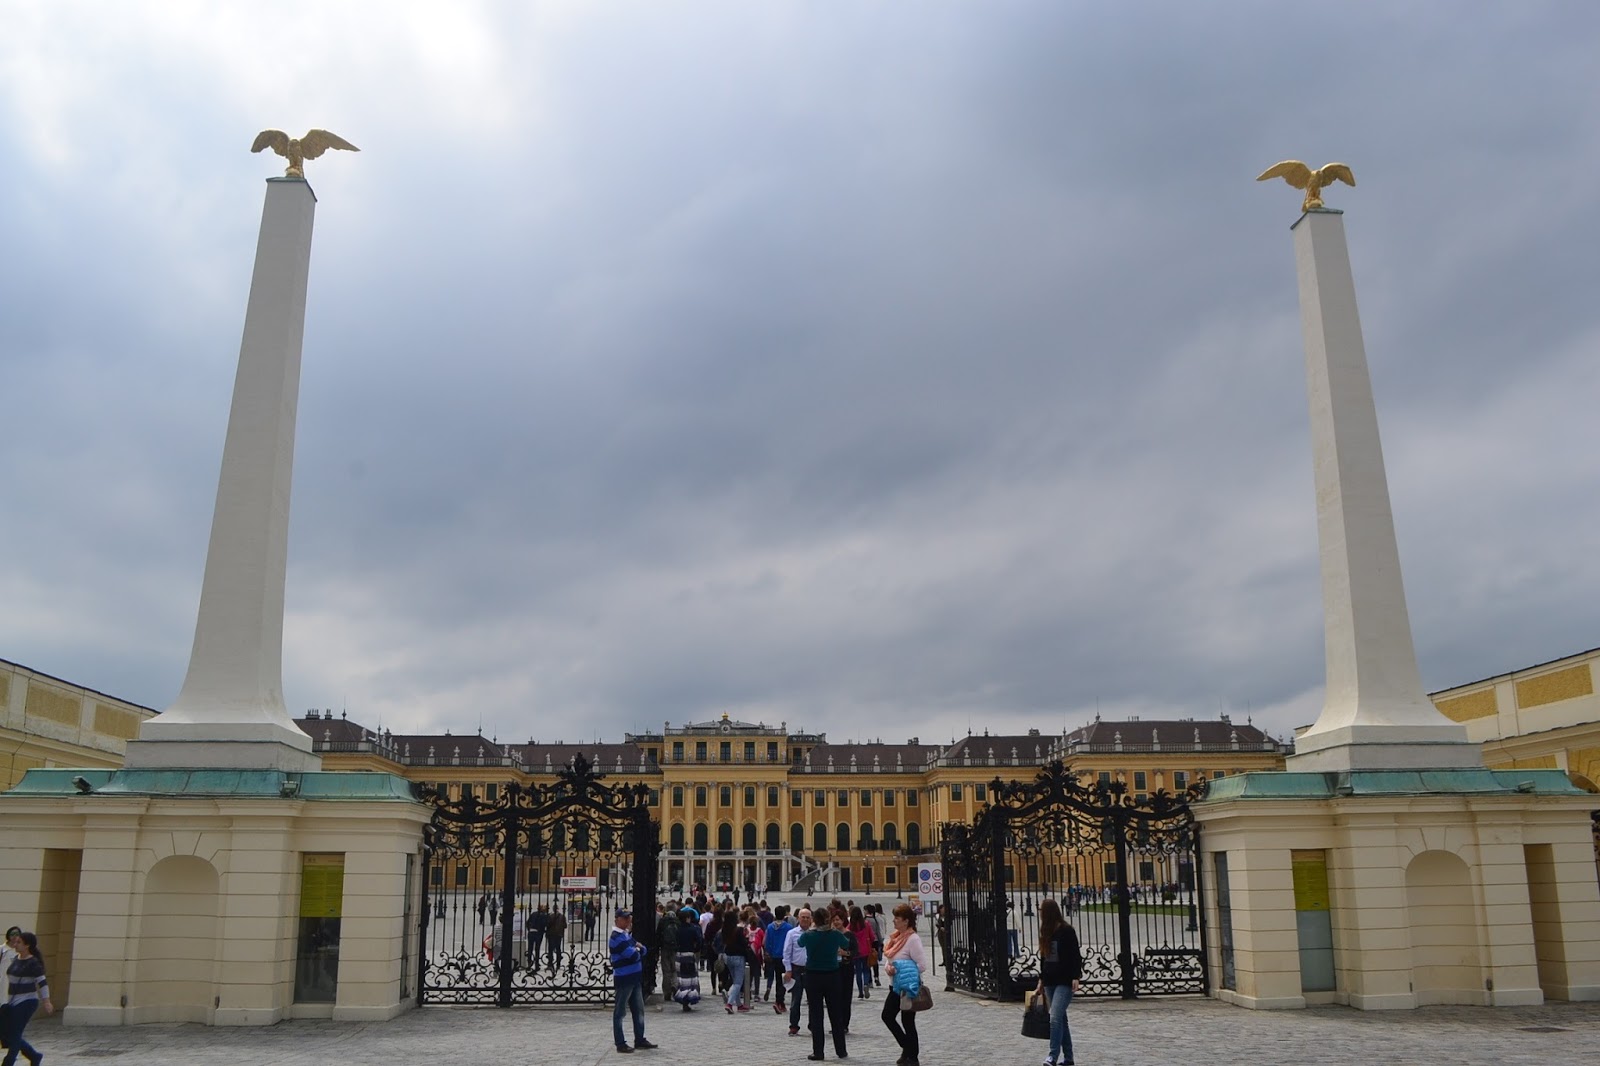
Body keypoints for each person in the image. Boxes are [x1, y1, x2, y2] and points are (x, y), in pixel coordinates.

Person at [1032, 899, 1083, 1066]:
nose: (1040, 913)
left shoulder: (1067, 931)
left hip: (1065, 980)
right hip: (1050, 981)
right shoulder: (1046, 931)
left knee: (1054, 1017)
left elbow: (1075, 955)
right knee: (1061, 1019)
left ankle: (1052, 1056)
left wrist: (1076, 976)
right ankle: (1069, 1058)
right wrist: (1041, 980)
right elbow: (1044, 958)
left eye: (1042, 910)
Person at [797, 908, 850, 1061]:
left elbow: (800, 943)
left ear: (814, 920)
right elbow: (846, 943)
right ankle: (841, 1050)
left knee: (816, 1014)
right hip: (832, 975)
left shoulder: (809, 935)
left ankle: (818, 1051)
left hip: (813, 976)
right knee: (836, 1014)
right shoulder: (835, 934)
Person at [881, 903, 926, 1066]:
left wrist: (902, 970)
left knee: (907, 1021)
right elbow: (890, 960)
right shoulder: (895, 938)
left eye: (897, 918)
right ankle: (908, 1049)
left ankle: (912, 1056)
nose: (894, 921)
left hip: (908, 987)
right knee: (888, 1016)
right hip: (894, 986)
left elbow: (922, 965)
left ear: (906, 921)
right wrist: (888, 968)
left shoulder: (913, 939)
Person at [608, 909, 657, 1054]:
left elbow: (644, 950)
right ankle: (620, 1043)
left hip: (634, 978)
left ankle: (640, 1039)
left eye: (629, 918)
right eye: (625, 918)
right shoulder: (616, 938)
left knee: (639, 1010)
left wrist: (638, 949)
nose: (629, 921)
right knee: (620, 1011)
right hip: (624, 979)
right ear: (617, 919)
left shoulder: (626, 935)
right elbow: (633, 955)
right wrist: (638, 949)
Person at [1, 930, 51, 1066]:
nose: (15, 944)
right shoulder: (15, 959)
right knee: (6, 1031)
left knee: (15, 1033)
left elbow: (42, 982)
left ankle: (8, 1062)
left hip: (27, 1001)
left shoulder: (33, 962)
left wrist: (46, 1001)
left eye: (19, 942)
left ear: (27, 945)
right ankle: (34, 1055)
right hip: (11, 1001)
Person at [782, 907, 813, 1037]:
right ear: (798, 918)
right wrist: (788, 970)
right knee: (796, 999)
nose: (805, 919)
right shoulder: (792, 933)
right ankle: (794, 1025)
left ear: (811, 919)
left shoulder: (814, 933)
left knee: (813, 1000)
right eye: (803, 917)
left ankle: (813, 1025)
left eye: (807, 917)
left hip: (811, 970)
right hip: (796, 969)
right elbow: (787, 952)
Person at [721, 909, 752, 1013]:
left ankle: (739, 1004)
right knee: (738, 982)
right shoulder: (738, 930)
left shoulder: (724, 930)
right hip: (738, 957)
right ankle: (730, 1003)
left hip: (728, 956)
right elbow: (743, 943)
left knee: (734, 981)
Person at [673, 908, 703, 1011]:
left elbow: (674, 942)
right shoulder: (692, 929)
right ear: (687, 918)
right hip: (689, 954)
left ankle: (682, 996)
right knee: (690, 979)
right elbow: (699, 941)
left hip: (679, 955)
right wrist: (696, 949)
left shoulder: (677, 929)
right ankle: (689, 997)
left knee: (682, 978)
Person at [764, 907, 793, 1010]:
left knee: (778, 979)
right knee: (786, 980)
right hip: (785, 956)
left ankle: (780, 1001)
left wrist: (769, 952)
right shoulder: (788, 927)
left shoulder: (770, 927)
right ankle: (779, 1000)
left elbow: (767, 942)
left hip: (774, 956)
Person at [654, 903, 679, 1010]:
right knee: (675, 969)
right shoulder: (677, 921)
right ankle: (675, 985)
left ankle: (667, 992)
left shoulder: (663, 921)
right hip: (675, 948)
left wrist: (657, 949)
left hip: (665, 948)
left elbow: (658, 935)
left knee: (666, 970)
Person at [849, 906, 873, 999]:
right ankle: (866, 984)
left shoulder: (851, 926)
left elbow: (846, 934)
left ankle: (860, 992)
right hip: (866, 950)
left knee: (858, 971)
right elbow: (872, 936)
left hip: (856, 951)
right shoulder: (866, 924)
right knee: (866, 970)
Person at [867, 905, 885, 987]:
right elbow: (878, 932)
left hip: (868, 941)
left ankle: (869, 980)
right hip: (876, 941)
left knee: (868, 961)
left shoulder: (865, 920)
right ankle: (876, 977)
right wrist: (881, 942)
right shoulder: (875, 919)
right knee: (875, 960)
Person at [529, 904, 549, 971]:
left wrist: (529, 928)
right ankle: (536, 964)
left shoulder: (533, 914)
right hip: (538, 933)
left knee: (530, 948)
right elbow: (544, 924)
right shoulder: (543, 915)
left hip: (531, 932)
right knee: (537, 949)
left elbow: (528, 922)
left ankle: (529, 963)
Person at [547, 905, 567, 971]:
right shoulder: (562, 916)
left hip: (551, 934)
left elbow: (547, 924)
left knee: (551, 949)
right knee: (558, 949)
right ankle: (558, 964)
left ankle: (550, 963)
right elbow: (565, 926)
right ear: (558, 909)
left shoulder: (550, 916)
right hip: (559, 934)